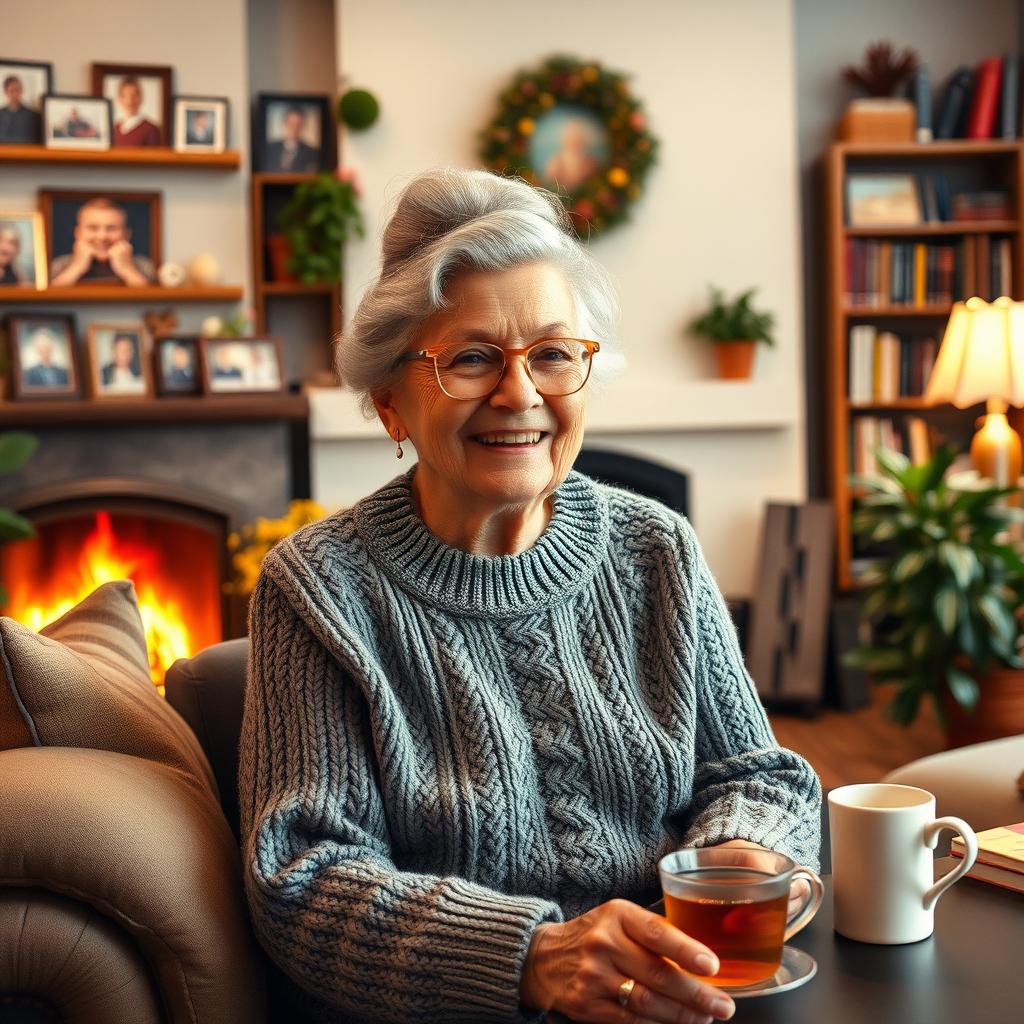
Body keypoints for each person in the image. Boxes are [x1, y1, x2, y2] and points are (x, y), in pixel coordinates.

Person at [238, 167, 822, 1024]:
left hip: (690, 996)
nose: (521, 393)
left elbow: (759, 775)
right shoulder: (319, 589)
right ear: (390, 401)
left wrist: (735, 863)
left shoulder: (656, 548)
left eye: (553, 354)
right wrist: (533, 957)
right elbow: (305, 879)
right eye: (471, 358)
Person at [49, 198, 155, 287]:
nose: (102, 236)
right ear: (78, 233)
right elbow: (47, 301)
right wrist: (76, 267)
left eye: (111, 228)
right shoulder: (59, 265)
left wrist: (127, 269)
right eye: (93, 228)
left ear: (126, 235)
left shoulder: (144, 266)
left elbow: (152, 302)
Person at [544, 117, 601, 191]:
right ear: (565, 139)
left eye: (577, 135)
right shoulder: (555, 163)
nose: (574, 140)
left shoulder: (591, 164)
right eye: (571, 135)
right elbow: (549, 187)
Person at [264, 105, 319, 171]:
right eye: (291, 124)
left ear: (303, 126)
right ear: (284, 123)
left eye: (298, 125)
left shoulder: (312, 153)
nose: (294, 128)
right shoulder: (269, 148)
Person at [112, 76, 161, 147]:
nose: (130, 101)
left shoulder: (151, 129)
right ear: (119, 99)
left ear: (141, 98)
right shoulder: (114, 129)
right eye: (125, 96)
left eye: (134, 95)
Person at [0, 74, 41, 143]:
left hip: (27, 152)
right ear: (6, 92)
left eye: (17, 90)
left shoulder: (33, 116)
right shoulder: (1, 114)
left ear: (22, 90)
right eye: (12, 90)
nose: (15, 94)